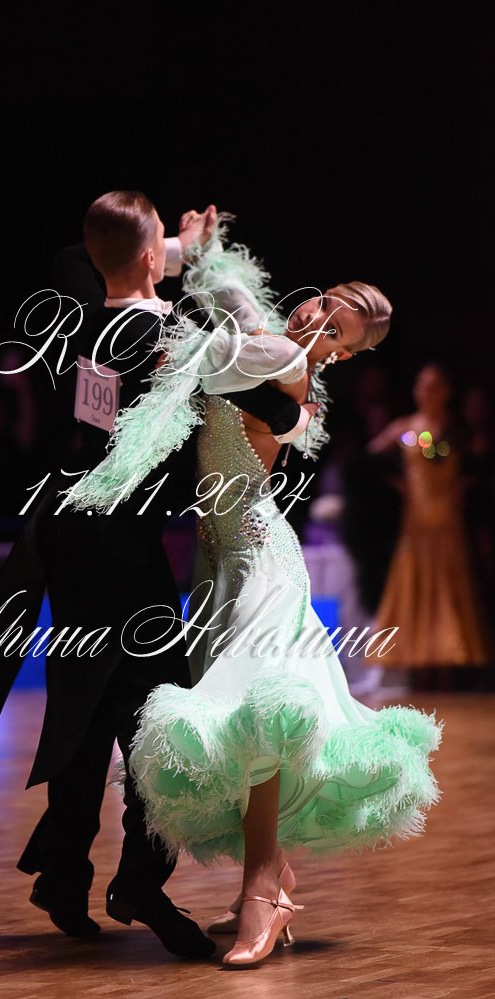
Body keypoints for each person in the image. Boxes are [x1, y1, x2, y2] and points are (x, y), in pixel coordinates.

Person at [0, 193, 310, 959]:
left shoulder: (75, 317)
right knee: (155, 714)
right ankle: (137, 879)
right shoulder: (173, 336)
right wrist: (200, 262)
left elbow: (79, 255)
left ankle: (66, 872)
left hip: (67, 536)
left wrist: (165, 249)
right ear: (148, 255)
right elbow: (278, 404)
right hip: (122, 550)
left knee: (85, 708)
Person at [69, 219, 443, 967]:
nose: (319, 319)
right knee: (247, 720)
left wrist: (185, 277)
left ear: (342, 354)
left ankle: (262, 893)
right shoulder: (274, 343)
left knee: (262, 712)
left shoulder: (285, 359)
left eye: (338, 329)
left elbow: (209, 351)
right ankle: (274, 879)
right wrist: (198, 248)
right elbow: (231, 301)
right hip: (219, 560)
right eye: (326, 303)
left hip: (259, 556)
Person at [369, 364, 489, 685]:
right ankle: (417, 665)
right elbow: (369, 461)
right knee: (416, 584)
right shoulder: (405, 428)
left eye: (434, 386)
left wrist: (465, 485)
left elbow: (479, 463)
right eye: (422, 385)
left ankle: (448, 662)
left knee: (448, 586)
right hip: (416, 522)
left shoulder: (457, 431)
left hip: (449, 521)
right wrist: (397, 484)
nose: (427, 393)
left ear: (446, 392)